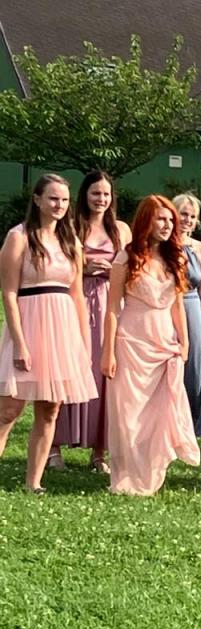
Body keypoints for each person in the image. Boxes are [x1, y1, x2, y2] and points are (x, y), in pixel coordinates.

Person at [0, 174, 95, 492]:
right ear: (37, 200)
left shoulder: (72, 242)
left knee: (50, 407)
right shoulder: (19, 237)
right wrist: (19, 343)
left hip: (62, 328)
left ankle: (34, 482)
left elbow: (77, 294)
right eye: (53, 198)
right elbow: (9, 292)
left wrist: (82, 342)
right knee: (8, 410)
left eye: (65, 200)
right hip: (28, 324)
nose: (59, 205)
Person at [100, 196, 199, 494]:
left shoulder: (175, 258)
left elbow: (177, 304)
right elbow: (112, 308)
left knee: (160, 411)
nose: (167, 225)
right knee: (129, 412)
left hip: (165, 341)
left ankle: (152, 472)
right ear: (146, 221)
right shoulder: (125, 258)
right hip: (132, 340)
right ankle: (127, 475)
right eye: (161, 219)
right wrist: (108, 352)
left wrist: (184, 342)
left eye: (170, 220)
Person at [50, 170, 131, 472]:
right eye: (96, 193)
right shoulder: (70, 225)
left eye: (106, 194)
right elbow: (57, 263)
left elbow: (133, 265)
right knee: (67, 368)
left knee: (105, 375)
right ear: (85, 195)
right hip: (77, 301)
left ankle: (99, 451)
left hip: (110, 302)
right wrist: (84, 266)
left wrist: (114, 270)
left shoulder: (121, 229)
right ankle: (53, 447)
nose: (101, 199)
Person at [173, 193, 201, 437]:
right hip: (165, 309)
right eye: (183, 214)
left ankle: (192, 426)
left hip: (193, 307)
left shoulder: (200, 249)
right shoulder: (161, 243)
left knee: (195, 370)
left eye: (192, 216)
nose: (187, 220)